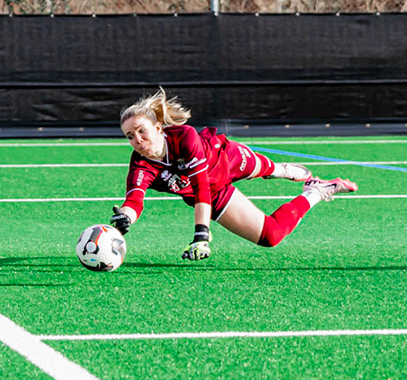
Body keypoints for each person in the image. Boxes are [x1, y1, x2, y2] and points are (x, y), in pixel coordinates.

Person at [110, 89, 356, 260]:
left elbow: (200, 187)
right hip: (215, 193)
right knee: (271, 236)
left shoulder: (184, 136)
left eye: (141, 131)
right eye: (130, 136)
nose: (137, 140)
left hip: (227, 160)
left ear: (157, 127)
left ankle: (281, 170)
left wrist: (201, 235)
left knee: (267, 168)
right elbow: (134, 200)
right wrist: (126, 218)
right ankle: (315, 191)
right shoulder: (140, 164)